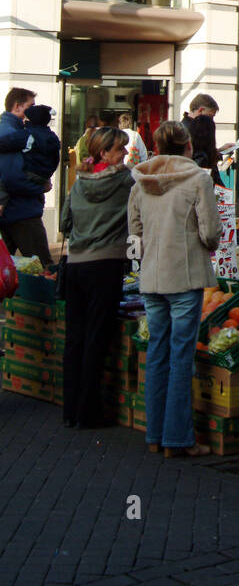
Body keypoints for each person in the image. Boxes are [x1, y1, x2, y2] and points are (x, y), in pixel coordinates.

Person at [128, 120, 221, 458]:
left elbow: (133, 233)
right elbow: (210, 232)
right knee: (181, 357)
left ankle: (155, 435)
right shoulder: (198, 179)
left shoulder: (141, 180)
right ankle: (178, 439)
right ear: (187, 147)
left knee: (157, 353)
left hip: (151, 277)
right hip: (185, 276)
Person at [59, 126, 134, 428]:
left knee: (74, 339)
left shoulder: (79, 182)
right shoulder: (125, 180)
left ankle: (70, 410)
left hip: (75, 264)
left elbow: (65, 221)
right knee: (96, 338)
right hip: (105, 265)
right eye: (120, 149)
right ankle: (89, 412)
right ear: (104, 153)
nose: (125, 154)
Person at [0, 88, 57, 267]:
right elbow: (11, 177)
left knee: (8, 268)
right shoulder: (10, 132)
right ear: (17, 107)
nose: (33, 110)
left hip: (15, 209)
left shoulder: (16, 131)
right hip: (21, 211)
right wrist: (40, 187)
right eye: (30, 106)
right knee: (42, 267)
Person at [0, 104, 61, 212]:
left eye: (26, 118)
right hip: (44, 177)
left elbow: (7, 142)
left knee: (4, 181)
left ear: (32, 120)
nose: (24, 121)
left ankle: (1, 205)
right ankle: (39, 205)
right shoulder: (53, 137)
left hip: (30, 173)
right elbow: (56, 159)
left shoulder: (28, 135)